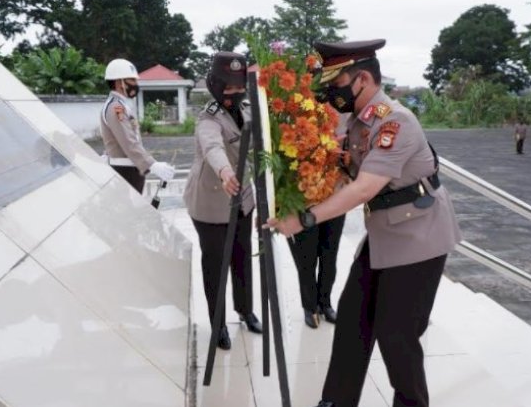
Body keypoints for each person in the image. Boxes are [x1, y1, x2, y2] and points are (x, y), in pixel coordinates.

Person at [268, 39, 462, 407]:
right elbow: (342, 176)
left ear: (363, 80)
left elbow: (363, 189)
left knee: (397, 335)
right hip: (386, 233)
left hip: (419, 236)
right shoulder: (360, 122)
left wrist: (305, 219)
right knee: (354, 320)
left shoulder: (395, 121)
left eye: (337, 81)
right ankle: (336, 402)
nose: (331, 91)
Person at [183, 52, 262, 351]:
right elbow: (213, 146)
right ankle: (217, 325)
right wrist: (225, 170)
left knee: (242, 257)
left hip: (242, 198)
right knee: (216, 265)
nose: (234, 92)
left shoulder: (246, 108)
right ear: (216, 86)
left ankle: (245, 310)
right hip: (211, 203)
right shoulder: (208, 117)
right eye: (227, 88)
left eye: (238, 86)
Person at [100, 58, 176, 193]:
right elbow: (128, 142)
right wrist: (152, 164)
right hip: (125, 171)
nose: (136, 84)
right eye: (132, 80)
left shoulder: (121, 105)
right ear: (119, 83)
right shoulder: (116, 107)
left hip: (129, 168)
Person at [287, 214, 346, 328]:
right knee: (306, 260)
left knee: (329, 256)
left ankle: (325, 303)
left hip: (334, 202)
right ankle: (310, 306)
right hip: (302, 204)